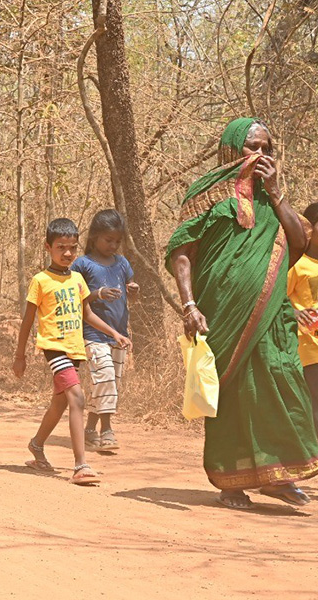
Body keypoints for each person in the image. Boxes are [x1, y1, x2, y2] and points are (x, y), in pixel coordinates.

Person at [167, 117, 318, 510]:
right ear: (233, 149)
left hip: (273, 316)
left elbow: (300, 245)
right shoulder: (205, 194)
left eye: (268, 148)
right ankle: (231, 480)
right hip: (221, 315)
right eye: (254, 147)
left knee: (280, 381)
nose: (262, 155)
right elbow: (182, 252)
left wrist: (277, 193)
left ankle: (276, 475)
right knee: (234, 395)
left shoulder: (274, 199)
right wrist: (188, 305)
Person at [14, 218, 131, 486]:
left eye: (72, 248)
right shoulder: (40, 280)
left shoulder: (78, 279)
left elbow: (86, 313)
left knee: (61, 402)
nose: (67, 253)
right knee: (77, 397)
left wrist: (114, 333)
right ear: (48, 247)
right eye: (60, 247)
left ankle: (37, 445)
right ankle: (81, 465)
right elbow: (28, 320)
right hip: (54, 349)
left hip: (75, 349)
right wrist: (19, 357)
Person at [71, 209, 139, 453]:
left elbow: (130, 294)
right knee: (106, 376)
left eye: (117, 241)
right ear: (95, 237)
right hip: (92, 333)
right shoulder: (82, 265)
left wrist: (133, 290)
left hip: (119, 333)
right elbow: (75, 300)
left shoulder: (122, 263)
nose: (113, 245)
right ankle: (107, 429)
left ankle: (90, 428)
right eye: (108, 240)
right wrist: (97, 293)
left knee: (108, 383)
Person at [287, 202, 318, 433]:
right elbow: (277, 297)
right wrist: (296, 312)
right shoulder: (298, 264)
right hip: (308, 346)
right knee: (314, 404)